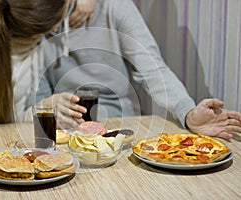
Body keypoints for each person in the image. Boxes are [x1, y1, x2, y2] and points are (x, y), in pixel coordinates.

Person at [36, 0, 241, 139]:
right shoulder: (30, 15)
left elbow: (153, 70)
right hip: (64, 130)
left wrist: (187, 112)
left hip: (119, 126)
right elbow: (38, 95)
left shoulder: (115, 7)